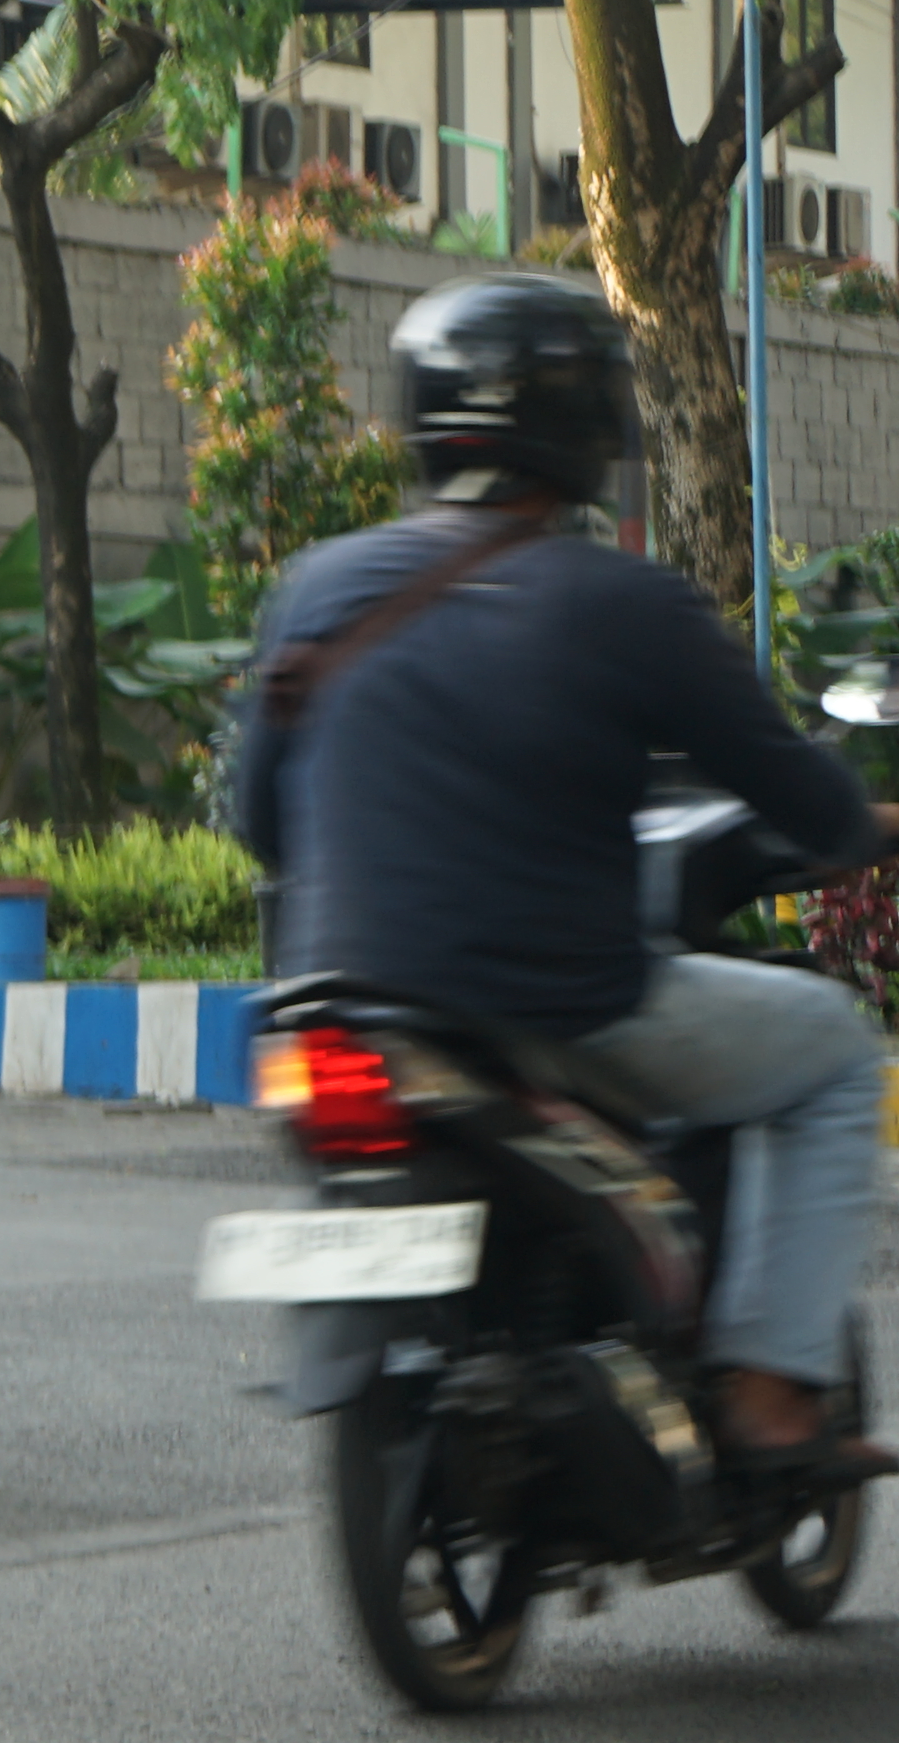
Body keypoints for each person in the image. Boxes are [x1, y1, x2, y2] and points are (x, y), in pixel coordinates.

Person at [232, 277, 885, 1473]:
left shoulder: (316, 589)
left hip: (334, 1003)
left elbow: (260, 821)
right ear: (588, 423)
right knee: (837, 1050)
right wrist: (864, 820)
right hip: (558, 1002)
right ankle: (773, 1390)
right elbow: (807, 797)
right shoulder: (623, 600)